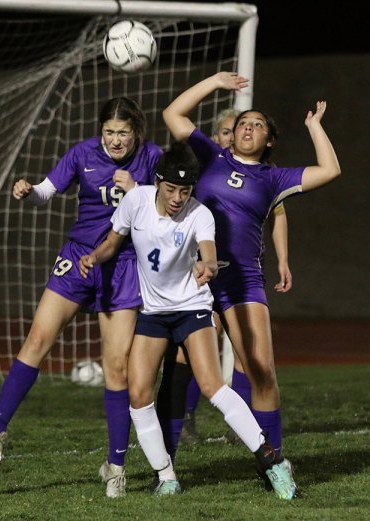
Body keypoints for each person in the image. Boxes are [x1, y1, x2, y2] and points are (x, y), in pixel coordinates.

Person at [80, 141, 297, 500]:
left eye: (185, 190)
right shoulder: (135, 201)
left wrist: (208, 266)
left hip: (192, 309)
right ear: (157, 182)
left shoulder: (200, 214)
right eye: (171, 189)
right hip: (153, 314)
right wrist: (94, 256)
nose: (178, 197)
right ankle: (167, 476)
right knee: (138, 394)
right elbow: (112, 243)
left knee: (213, 386)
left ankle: (271, 461)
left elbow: (209, 254)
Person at [162, 71, 341, 486]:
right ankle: (166, 469)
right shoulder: (211, 155)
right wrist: (214, 82)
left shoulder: (274, 178)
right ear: (231, 133)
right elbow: (173, 112)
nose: (249, 127)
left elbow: (330, 169)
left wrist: (314, 127)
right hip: (192, 277)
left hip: (242, 279)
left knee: (261, 368)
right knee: (179, 370)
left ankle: (274, 465)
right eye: (244, 122)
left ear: (269, 141)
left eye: (258, 125)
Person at [0, 97, 163, 499]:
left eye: (124, 133)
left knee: (116, 367)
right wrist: (29, 191)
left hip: (125, 264)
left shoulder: (152, 157)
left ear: (137, 133)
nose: (116, 141)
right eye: (109, 132)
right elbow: (47, 190)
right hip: (78, 258)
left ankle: (116, 467)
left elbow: (170, 204)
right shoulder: (82, 153)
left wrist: (140, 190)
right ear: (101, 131)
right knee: (37, 339)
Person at [179, 107, 292, 444]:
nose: (236, 134)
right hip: (201, 270)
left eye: (243, 128)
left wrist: (283, 259)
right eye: (229, 130)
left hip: (241, 272)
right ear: (219, 137)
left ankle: (244, 427)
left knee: (249, 356)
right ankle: (185, 420)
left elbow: (278, 214)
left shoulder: (265, 176)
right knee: (197, 346)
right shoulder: (209, 164)